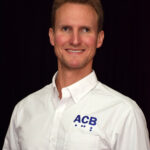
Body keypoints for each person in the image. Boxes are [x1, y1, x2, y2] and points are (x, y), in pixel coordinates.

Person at [3, 0, 150, 149]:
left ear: (99, 38)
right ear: (52, 36)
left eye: (85, 30)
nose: (75, 40)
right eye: (66, 29)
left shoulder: (124, 113)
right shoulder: (24, 110)